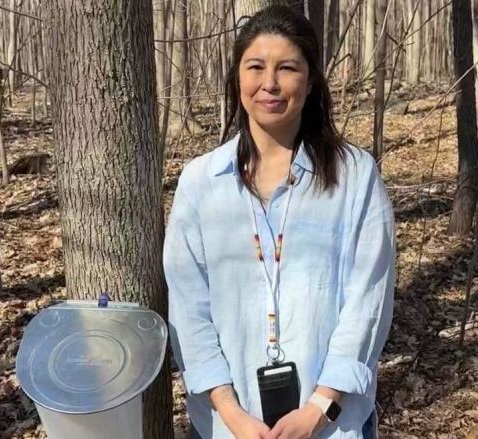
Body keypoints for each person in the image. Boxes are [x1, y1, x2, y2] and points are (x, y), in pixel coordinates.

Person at [164, 5, 395, 439]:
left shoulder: (354, 176)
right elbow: (188, 309)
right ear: (237, 80)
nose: (269, 83)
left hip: (332, 425)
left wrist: (318, 408)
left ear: (309, 83)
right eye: (255, 67)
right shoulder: (201, 183)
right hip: (226, 426)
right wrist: (232, 415)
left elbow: (369, 301)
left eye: (287, 68)